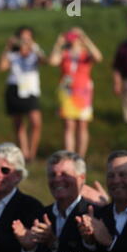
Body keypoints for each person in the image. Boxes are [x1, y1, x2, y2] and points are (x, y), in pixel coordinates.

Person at [12, 150, 99, 252]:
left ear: (81, 178)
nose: (57, 179)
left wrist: (54, 244)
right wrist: (29, 249)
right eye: (52, 175)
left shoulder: (92, 215)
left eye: (64, 174)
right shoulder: (42, 215)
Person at [49, 27, 103, 158]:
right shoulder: (64, 53)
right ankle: (70, 156)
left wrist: (85, 38)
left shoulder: (85, 54)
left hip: (83, 92)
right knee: (69, 124)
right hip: (67, 92)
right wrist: (59, 43)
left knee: (82, 125)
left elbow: (98, 57)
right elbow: (52, 61)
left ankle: (81, 157)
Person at [0, 27, 45, 162]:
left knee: (35, 122)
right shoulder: (13, 54)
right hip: (15, 88)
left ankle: (32, 153)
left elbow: (44, 61)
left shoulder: (35, 52)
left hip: (31, 90)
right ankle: (24, 154)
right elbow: (1, 67)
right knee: (19, 124)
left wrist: (33, 47)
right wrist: (8, 47)